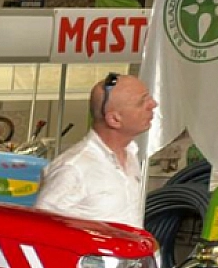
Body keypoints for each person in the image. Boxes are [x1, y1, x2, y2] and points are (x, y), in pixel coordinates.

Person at [36, 73, 156, 228]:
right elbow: (41, 230)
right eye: (142, 102)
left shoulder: (130, 156)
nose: (153, 104)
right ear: (114, 119)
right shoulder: (73, 167)